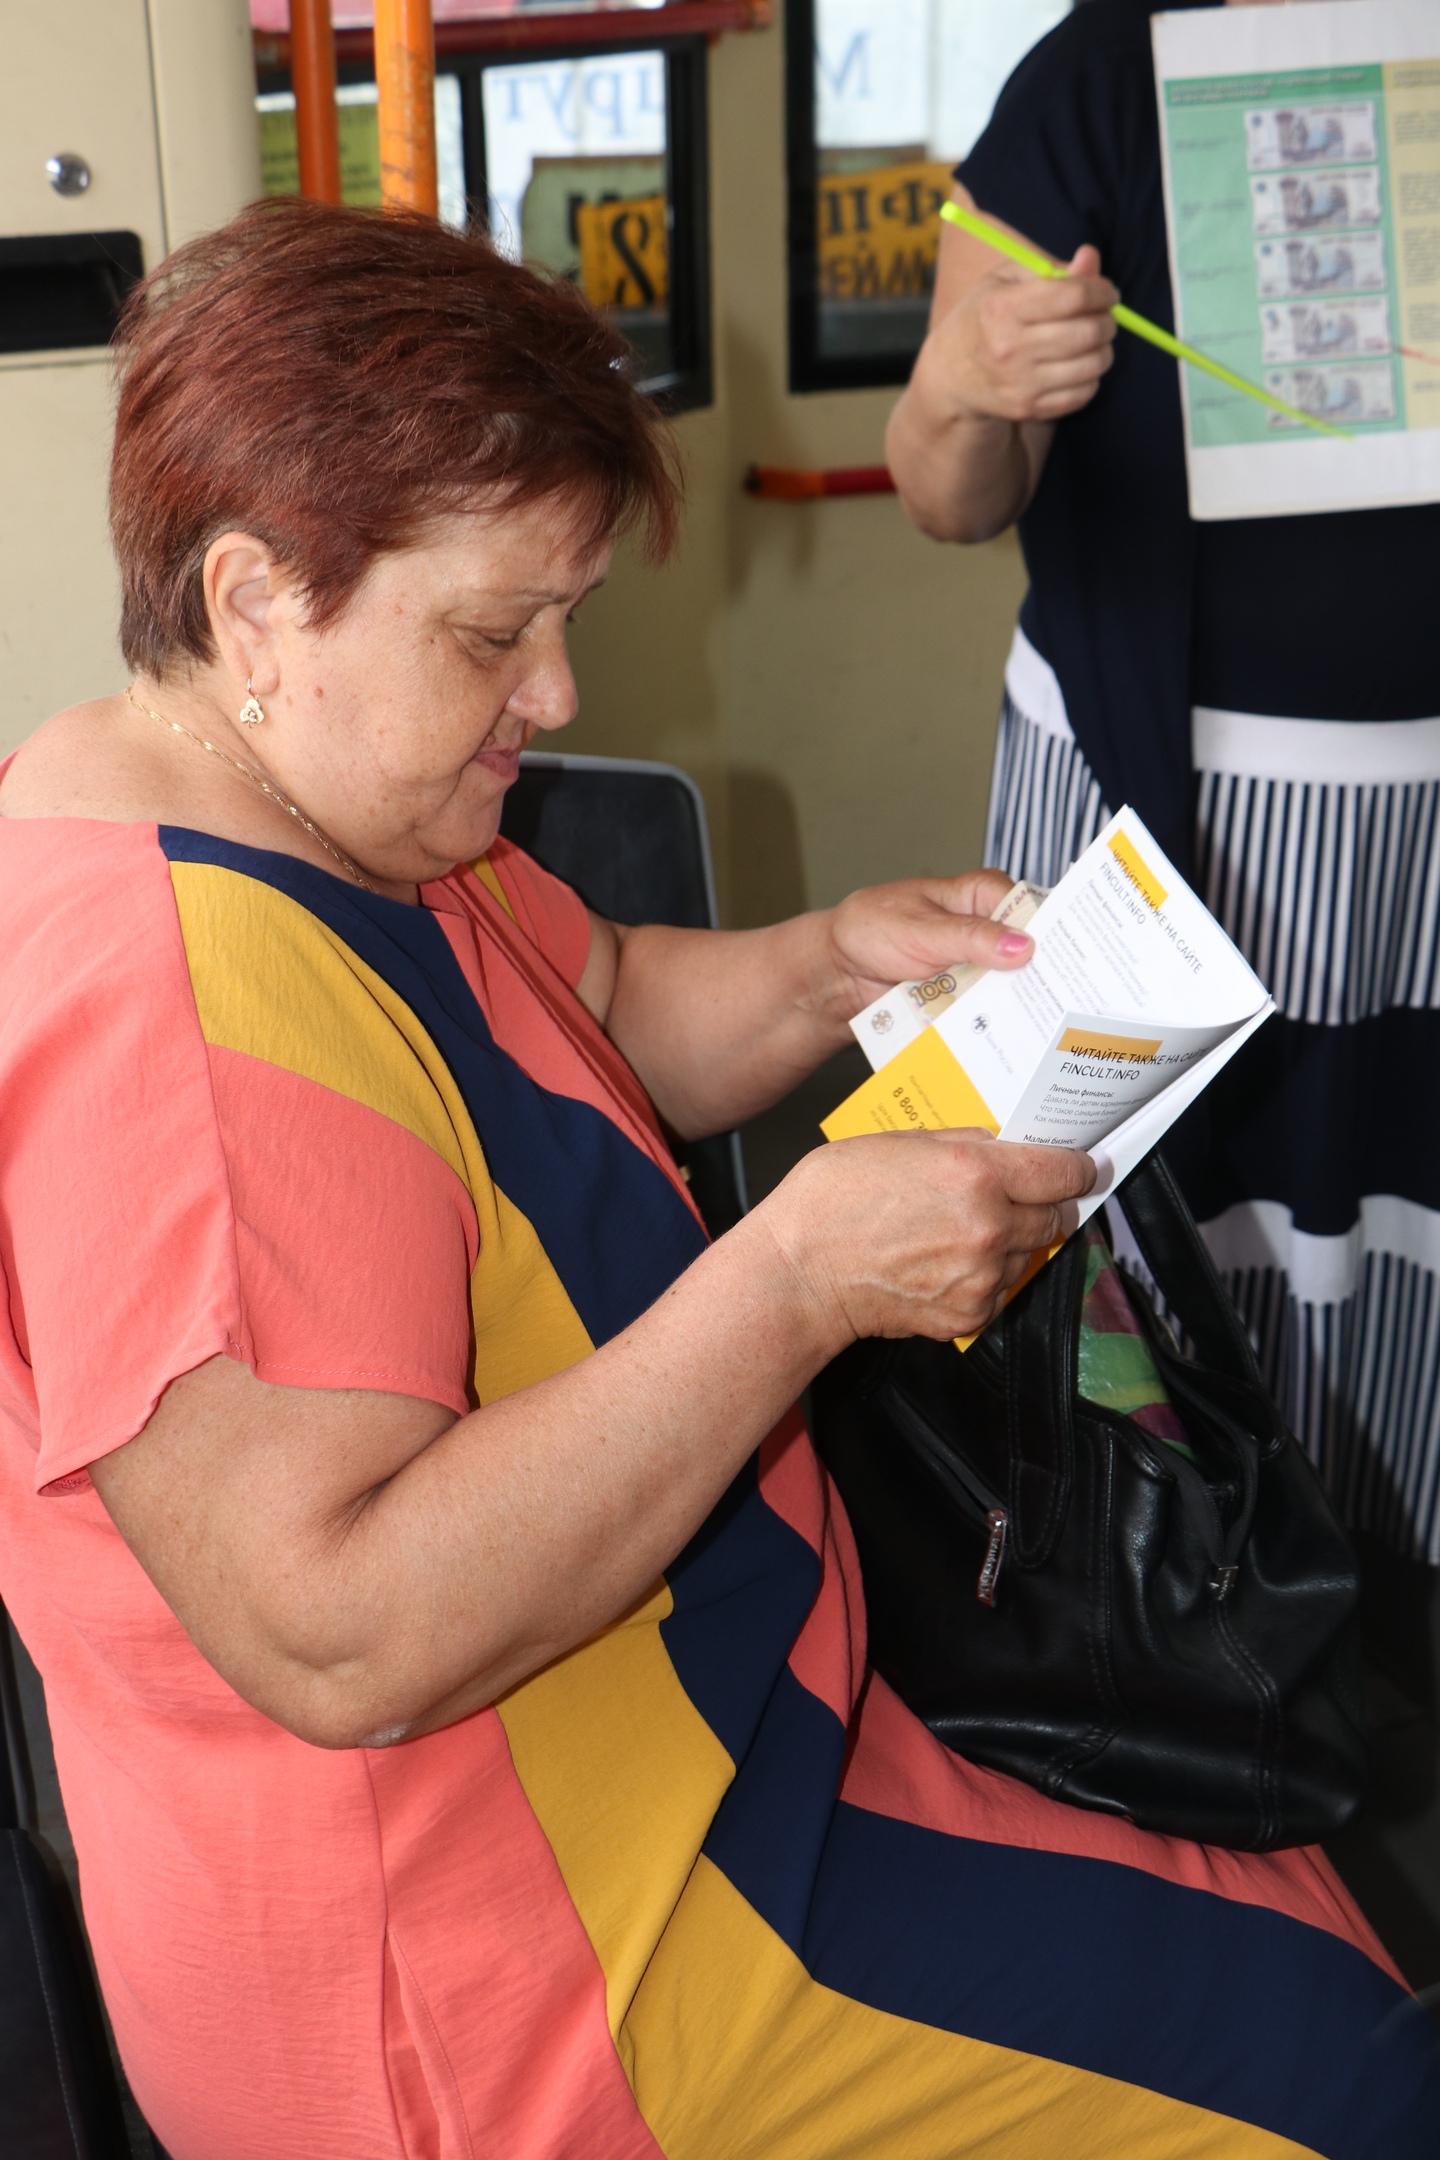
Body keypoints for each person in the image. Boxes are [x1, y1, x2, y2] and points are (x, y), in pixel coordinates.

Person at [0, 198, 1434, 2160]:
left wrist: (837, 962)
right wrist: (797, 1282)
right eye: (495, 634)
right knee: (1346, 2077)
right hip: (531, 1973)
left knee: (1296, 1927)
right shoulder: (169, 1011)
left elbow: (595, 1004)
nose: (557, 696)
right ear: (254, 603)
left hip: (716, 1725)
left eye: (565, 620)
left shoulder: (305, 797)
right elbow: (338, 1629)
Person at [887, 0, 1440, 1576]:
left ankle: (1378, 1588)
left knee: (1392, 1229)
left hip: (1422, 831)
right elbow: (944, 489)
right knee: (1114, 1231)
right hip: (1144, 796)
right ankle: (1138, 1603)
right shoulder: (1092, 82)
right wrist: (965, 384)